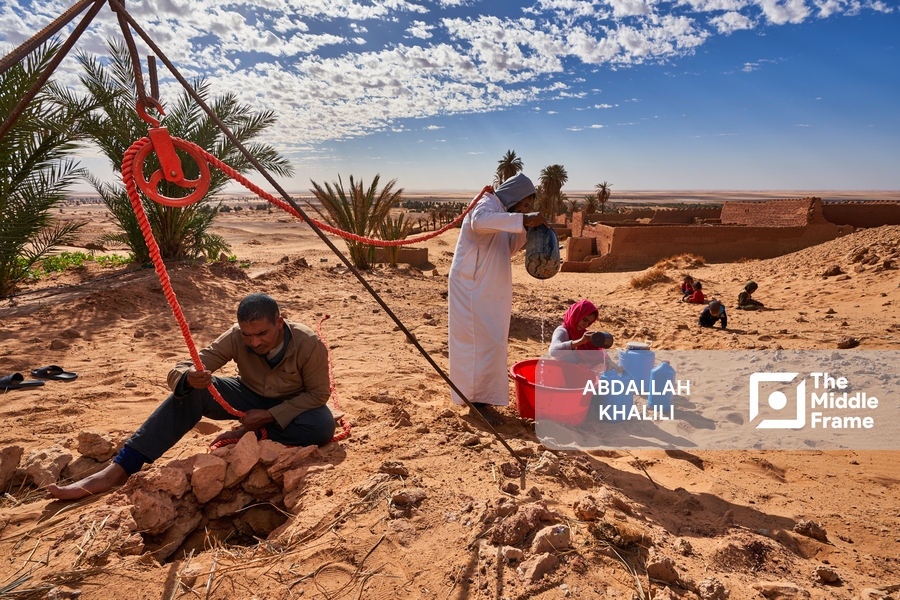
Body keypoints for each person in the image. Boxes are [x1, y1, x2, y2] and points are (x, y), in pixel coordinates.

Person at [49, 293, 336, 500]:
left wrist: (271, 415)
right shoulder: (237, 336)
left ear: (279, 323)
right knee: (192, 392)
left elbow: (319, 393)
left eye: (262, 334)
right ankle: (120, 468)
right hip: (248, 397)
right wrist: (187, 377)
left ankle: (257, 431)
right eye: (248, 335)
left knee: (322, 426)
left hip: (292, 407)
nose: (254, 342)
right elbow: (186, 365)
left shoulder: (309, 343)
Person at [448, 173, 546, 426]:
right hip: (472, 288)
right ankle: (476, 404)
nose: (525, 209)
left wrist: (526, 227)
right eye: (524, 204)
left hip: (489, 290)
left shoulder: (501, 214)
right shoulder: (487, 203)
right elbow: (478, 223)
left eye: (527, 207)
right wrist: (522, 219)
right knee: (480, 343)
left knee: (492, 342)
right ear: (515, 196)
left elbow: (508, 248)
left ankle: (482, 400)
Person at [548, 299, 619, 372]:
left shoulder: (584, 334)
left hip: (579, 375)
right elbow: (553, 351)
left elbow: (598, 352)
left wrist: (607, 361)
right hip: (561, 375)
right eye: (584, 320)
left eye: (589, 322)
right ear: (576, 314)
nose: (586, 325)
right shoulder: (563, 331)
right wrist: (581, 341)